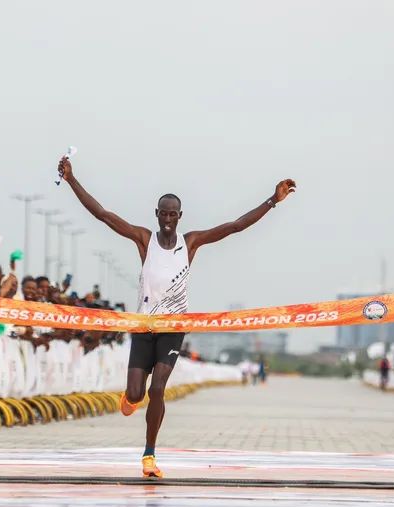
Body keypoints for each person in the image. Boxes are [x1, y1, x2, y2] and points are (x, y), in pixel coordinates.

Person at [58, 156, 295, 478]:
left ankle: (149, 456)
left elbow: (235, 226)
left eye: (173, 214)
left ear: (180, 217)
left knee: (157, 390)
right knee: (137, 394)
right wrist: (72, 180)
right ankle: (130, 398)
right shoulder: (145, 239)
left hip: (173, 329)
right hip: (144, 327)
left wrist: (272, 201)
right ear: (156, 215)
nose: (168, 219)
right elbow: (103, 215)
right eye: (163, 213)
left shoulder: (191, 242)